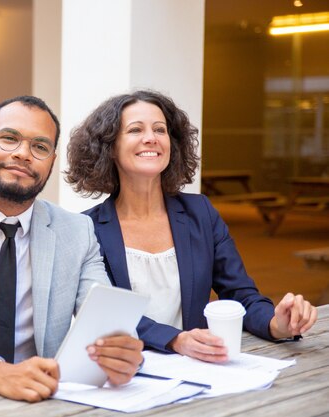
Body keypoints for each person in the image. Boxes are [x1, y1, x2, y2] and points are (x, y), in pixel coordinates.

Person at [65, 89, 318, 363]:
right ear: (110, 147)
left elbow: (239, 293)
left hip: (196, 370)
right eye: (135, 130)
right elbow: (106, 316)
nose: (151, 138)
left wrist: (276, 324)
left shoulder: (200, 212)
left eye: (160, 130)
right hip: (127, 375)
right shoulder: (87, 228)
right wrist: (175, 340)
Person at [0, 96, 144, 402]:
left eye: (39, 147)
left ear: (52, 162)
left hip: (44, 398)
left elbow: (102, 316)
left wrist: (121, 350)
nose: (23, 154)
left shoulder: (77, 232)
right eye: (9, 138)